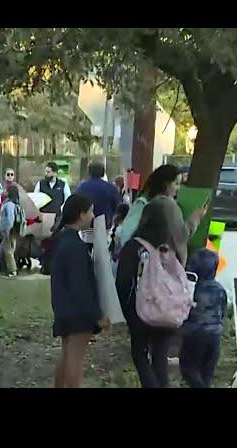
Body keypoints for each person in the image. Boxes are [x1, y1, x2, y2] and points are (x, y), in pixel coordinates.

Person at [117, 199, 180, 388]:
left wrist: (125, 312)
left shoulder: (133, 247)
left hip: (141, 311)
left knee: (140, 355)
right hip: (167, 310)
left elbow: (123, 282)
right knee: (160, 357)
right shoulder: (168, 248)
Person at [50, 194, 106, 388]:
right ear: (81, 214)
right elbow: (80, 286)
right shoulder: (76, 247)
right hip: (78, 313)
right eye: (90, 211)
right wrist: (96, 315)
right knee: (75, 359)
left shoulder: (62, 240)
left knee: (66, 356)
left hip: (63, 308)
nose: (92, 215)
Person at [119, 164, 205, 266]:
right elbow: (126, 236)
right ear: (165, 183)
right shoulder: (144, 204)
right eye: (176, 183)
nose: (179, 188)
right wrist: (194, 219)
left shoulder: (170, 205)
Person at [179, 248, 227, 388]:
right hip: (215, 335)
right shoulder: (220, 289)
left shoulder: (192, 289)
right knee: (206, 373)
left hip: (194, 335)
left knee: (188, 368)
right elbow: (222, 312)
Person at [75, 161, 122, 231]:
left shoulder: (81, 187)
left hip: (84, 225)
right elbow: (118, 206)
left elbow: (75, 205)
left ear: (89, 172)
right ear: (103, 173)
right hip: (104, 226)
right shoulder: (110, 188)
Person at [0, 184, 24, 278]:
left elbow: (9, 219)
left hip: (9, 230)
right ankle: (11, 269)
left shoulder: (9, 204)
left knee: (8, 251)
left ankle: (12, 270)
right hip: (15, 230)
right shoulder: (16, 204)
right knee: (10, 250)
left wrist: (7, 230)